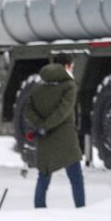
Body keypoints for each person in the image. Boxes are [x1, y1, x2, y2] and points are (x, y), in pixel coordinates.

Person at [23, 52, 86, 209]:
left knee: (43, 176)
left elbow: (27, 109)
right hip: (65, 138)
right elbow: (63, 111)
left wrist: (40, 125)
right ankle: (81, 210)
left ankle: (39, 209)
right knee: (76, 177)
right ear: (66, 66)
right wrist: (46, 125)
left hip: (45, 138)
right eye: (71, 65)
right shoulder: (69, 86)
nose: (72, 69)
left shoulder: (38, 87)